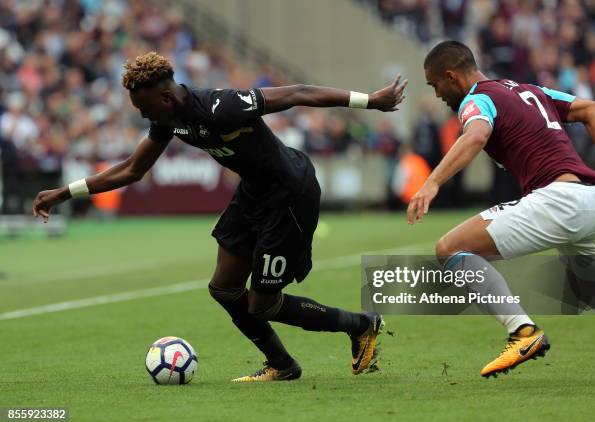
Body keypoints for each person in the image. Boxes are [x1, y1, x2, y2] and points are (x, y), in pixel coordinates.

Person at [32, 52, 407, 382]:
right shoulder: (166, 118)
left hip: (289, 194)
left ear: (164, 96)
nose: (141, 114)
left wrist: (370, 101)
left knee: (264, 303)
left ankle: (361, 325)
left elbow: (297, 93)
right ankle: (281, 364)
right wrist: (65, 192)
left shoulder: (220, 106)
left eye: (142, 107)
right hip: (253, 193)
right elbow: (132, 169)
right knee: (224, 288)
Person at [407, 41, 595, 378]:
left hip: (559, 202)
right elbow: (593, 109)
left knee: (450, 248)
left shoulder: (476, 99)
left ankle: (523, 332)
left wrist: (432, 182)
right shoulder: (527, 90)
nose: (438, 94)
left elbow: (475, 137)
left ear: (451, 76)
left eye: (435, 85)